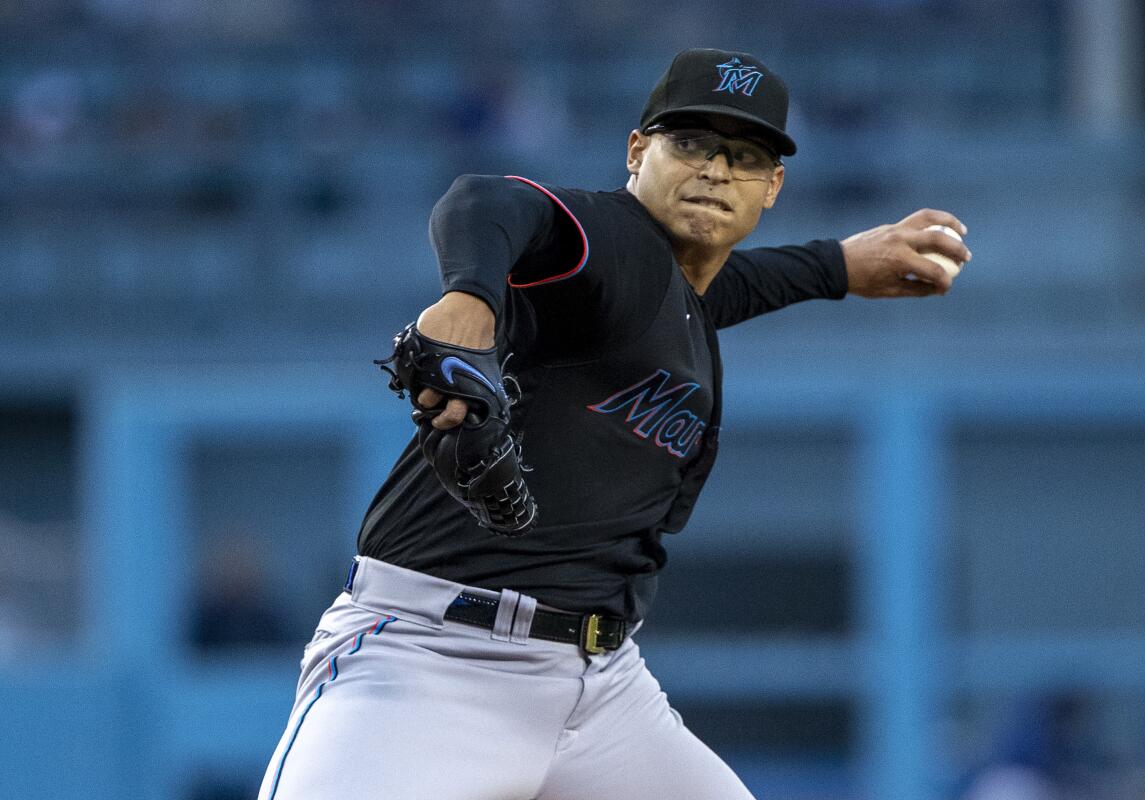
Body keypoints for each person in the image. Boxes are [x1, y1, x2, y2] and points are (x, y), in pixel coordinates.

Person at [258, 47, 970, 800]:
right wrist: (470, 296)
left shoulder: (679, 295)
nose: (715, 170)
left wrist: (837, 264)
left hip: (603, 691)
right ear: (637, 151)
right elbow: (487, 201)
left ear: (772, 187)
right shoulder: (611, 244)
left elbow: (729, 288)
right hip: (432, 664)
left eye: (745, 155)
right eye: (690, 143)